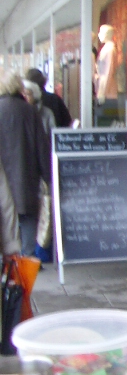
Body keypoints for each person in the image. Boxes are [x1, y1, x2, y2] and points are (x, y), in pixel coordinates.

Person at [0, 73, 51, 255]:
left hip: (3, 182)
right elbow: (42, 147)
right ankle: (26, 263)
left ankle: (8, 265)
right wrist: (48, 177)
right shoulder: (30, 111)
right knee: (28, 222)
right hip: (26, 180)